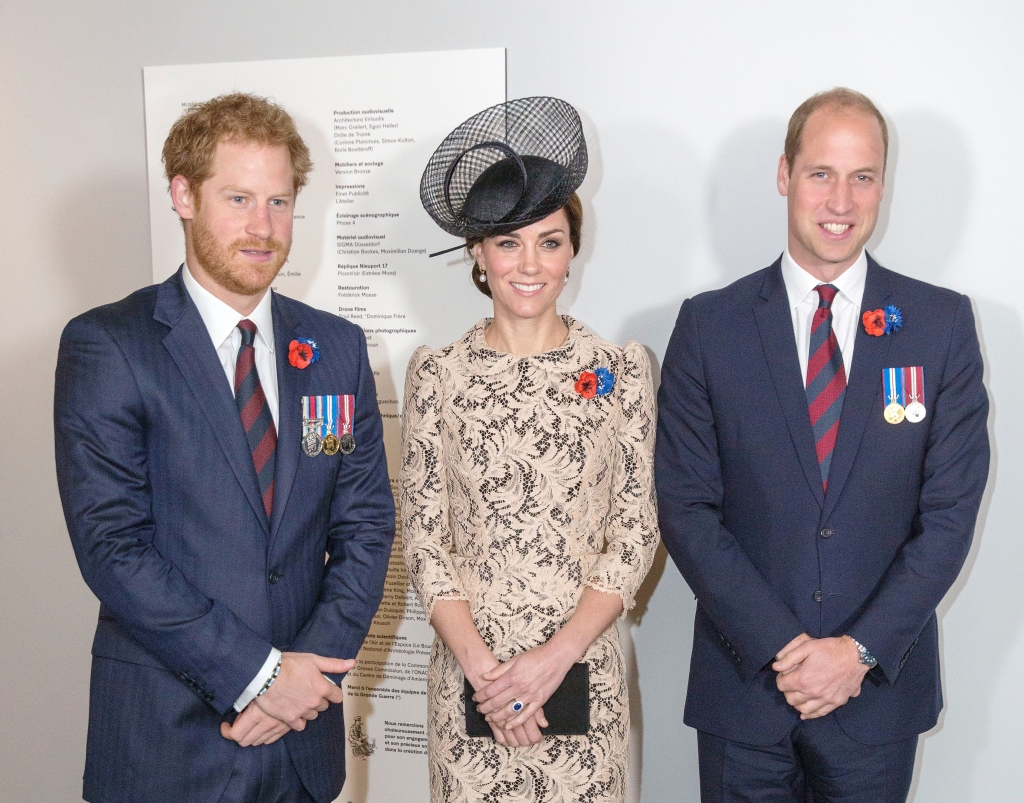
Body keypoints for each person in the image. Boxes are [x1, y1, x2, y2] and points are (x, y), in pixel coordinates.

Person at [54, 93, 395, 803]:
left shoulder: (334, 348)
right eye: (238, 198)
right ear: (183, 195)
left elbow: (364, 525)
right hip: (165, 744)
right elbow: (113, 546)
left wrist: (306, 676)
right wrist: (263, 676)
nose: (262, 227)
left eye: (279, 202)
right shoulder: (110, 345)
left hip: (301, 743)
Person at [655, 87, 990, 802]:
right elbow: (685, 506)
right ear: (784, 175)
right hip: (745, 693)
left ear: (883, 186)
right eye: (821, 173)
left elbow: (951, 514)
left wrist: (856, 652)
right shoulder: (709, 327)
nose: (841, 199)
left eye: (862, 175)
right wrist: (787, 650)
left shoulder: (939, 325)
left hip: (876, 701)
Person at [401, 96, 660, 802]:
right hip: (469, 677)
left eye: (549, 241)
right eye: (508, 242)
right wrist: (489, 675)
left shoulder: (620, 370)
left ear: (572, 249)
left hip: (583, 670)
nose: (530, 263)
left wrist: (554, 658)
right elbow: (424, 538)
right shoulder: (438, 373)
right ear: (477, 254)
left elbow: (635, 532)